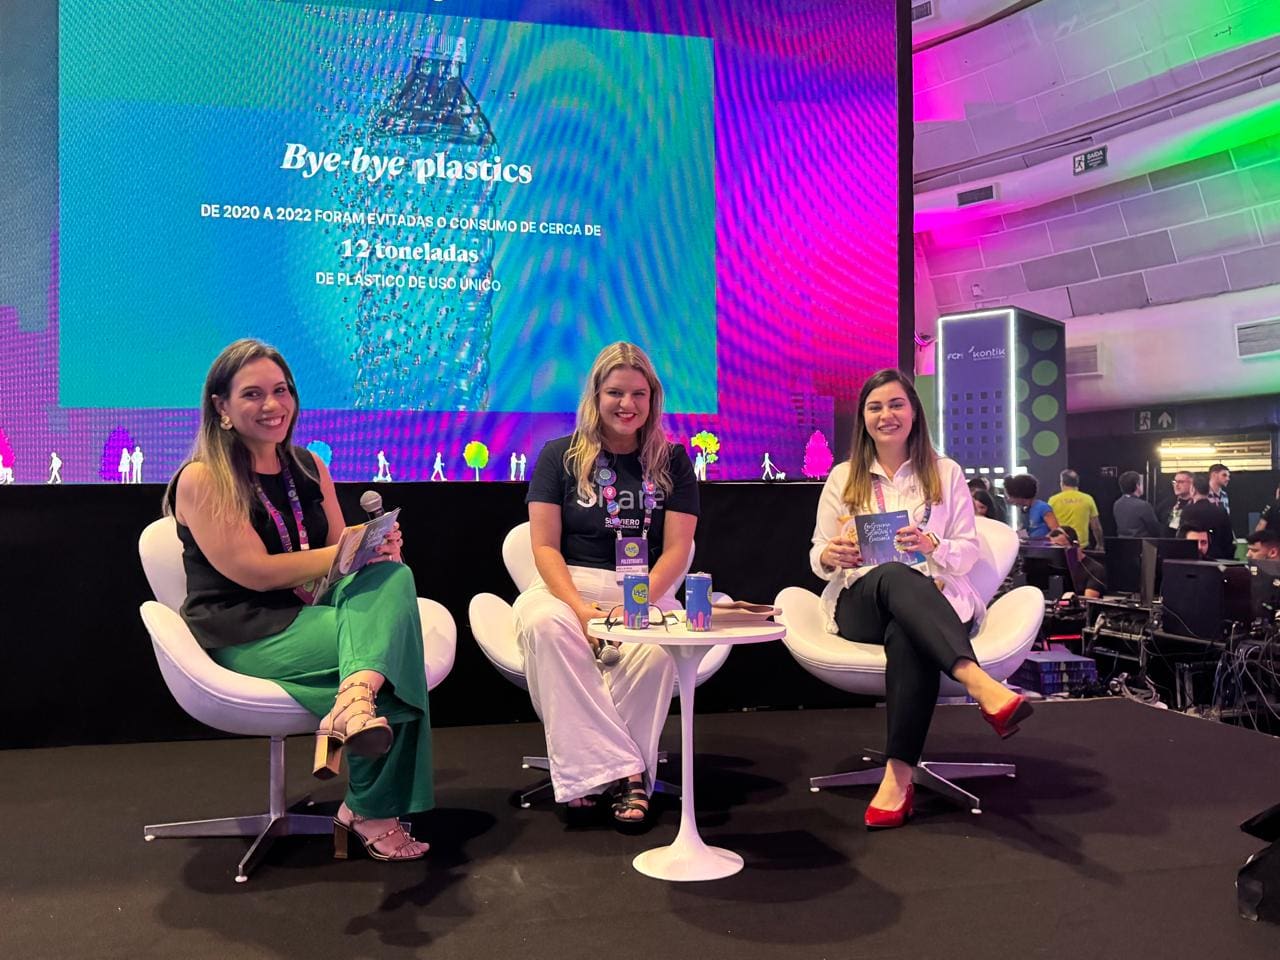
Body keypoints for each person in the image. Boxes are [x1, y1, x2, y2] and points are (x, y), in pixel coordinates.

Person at [163, 339, 432, 862]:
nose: (272, 405)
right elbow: (256, 572)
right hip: (246, 630)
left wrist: (369, 553)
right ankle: (368, 807)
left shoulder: (310, 466)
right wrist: (345, 548)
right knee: (393, 659)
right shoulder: (202, 478)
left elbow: (333, 574)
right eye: (253, 394)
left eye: (281, 391)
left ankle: (354, 701)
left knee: (395, 579)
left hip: (310, 613)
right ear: (220, 406)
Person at [810, 368, 1030, 831]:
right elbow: (817, 554)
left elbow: (968, 549)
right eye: (875, 407)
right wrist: (833, 553)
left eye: (896, 404)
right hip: (861, 600)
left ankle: (898, 778)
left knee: (908, 631)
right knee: (892, 574)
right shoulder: (843, 476)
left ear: (914, 413)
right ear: (863, 418)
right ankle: (977, 682)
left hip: (932, 597)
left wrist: (933, 546)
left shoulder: (945, 472)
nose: (886, 415)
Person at [516, 342, 697, 827]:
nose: (627, 404)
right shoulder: (558, 456)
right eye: (615, 392)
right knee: (545, 627)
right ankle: (629, 774)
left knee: (659, 652)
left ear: (653, 398)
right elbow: (544, 548)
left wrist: (632, 606)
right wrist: (581, 611)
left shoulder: (674, 460)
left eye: (639, 393)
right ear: (596, 395)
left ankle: (591, 773)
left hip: (643, 591)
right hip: (565, 588)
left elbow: (678, 548)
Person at [1179, 473, 1234, 560]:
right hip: (1219, 560)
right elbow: (1228, 539)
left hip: (1195, 559)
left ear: (1192, 489)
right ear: (1208, 491)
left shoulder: (1187, 511)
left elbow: (1182, 538)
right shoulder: (1221, 511)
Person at [1048, 469, 1103, 549]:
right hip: (1082, 547)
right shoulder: (1088, 499)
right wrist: (1100, 544)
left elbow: (1048, 525)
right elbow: (1095, 526)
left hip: (1061, 546)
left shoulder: (1053, 500)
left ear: (1062, 483)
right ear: (1077, 483)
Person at [1047, 525, 1106, 597]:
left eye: (1059, 547)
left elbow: (1089, 601)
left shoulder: (1095, 569)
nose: (1056, 552)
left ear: (1075, 546)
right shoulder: (1055, 567)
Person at [1003, 473, 1058, 539]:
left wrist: (1043, 539)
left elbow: (1056, 531)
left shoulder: (1042, 507)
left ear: (1019, 494)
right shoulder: (1025, 510)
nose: (1009, 499)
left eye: (1010, 496)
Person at [1112, 471, 1162, 538]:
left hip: (1122, 544)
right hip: (1141, 545)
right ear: (1137, 485)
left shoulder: (1117, 504)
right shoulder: (1143, 505)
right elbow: (1155, 529)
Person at [1157, 470, 1193, 537]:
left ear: (1191, 484)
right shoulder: (1166, 504)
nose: (1176, 485)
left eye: (1181, 482)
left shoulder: (1197, 504)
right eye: (1175, 482)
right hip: (1169, 542)